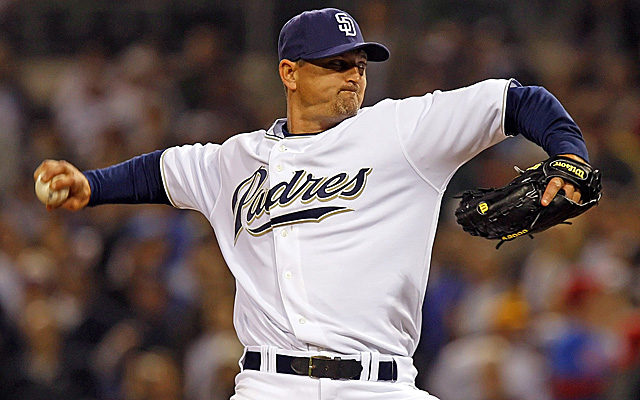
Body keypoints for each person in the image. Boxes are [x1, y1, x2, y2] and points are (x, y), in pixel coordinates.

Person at [34, 8, 591, 400]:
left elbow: (518, 100)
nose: (354, 76)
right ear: (289, 73)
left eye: (360, 64)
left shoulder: (400, 130)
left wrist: (569, 155)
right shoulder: (236, 159)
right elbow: (157, 171)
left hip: (381, 384)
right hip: (268, 385)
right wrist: (90, 184)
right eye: (336, 64)